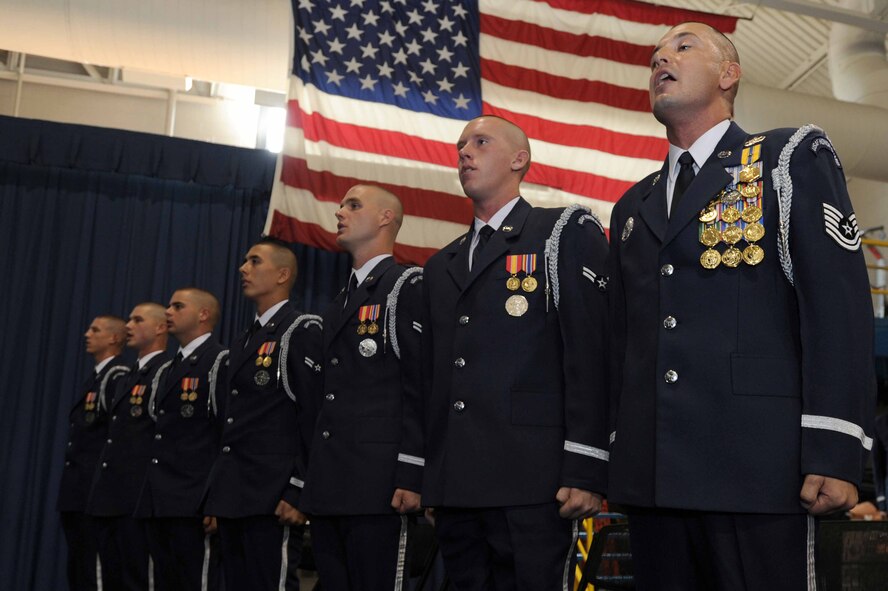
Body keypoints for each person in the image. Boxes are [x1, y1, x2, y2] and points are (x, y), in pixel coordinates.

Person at [606, 22, 876, 590]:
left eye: (682, 47)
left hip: (756, 467)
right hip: (653, 475)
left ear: (730, 74)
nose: (661, 60)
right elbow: (622, 342)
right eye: (654, 56)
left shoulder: (784, 157)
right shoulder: (634, 205)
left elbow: (837, 307)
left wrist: (834, 444)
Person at [421, 115, 610, 589]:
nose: (464, 152)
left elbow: (589, 353)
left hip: (533, 477)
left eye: (480, 142)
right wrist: (434, 474)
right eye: (461, 144)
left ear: (519, 159)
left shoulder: (559, 232)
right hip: (458, 482)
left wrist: (587, 464)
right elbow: (437, 377)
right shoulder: (440, 263)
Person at [299, 185, 424, 589]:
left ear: (386, 218)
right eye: (340, 205)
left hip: (380, 483)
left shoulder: (406, 285)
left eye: (353, 205)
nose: (340, 212)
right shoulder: (339, 302)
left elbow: (420, 384)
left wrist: (412, 471)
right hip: (333, 482)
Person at [203, 237, 323, 590]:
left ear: (283, 274)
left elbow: (313, 415)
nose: (243, 269)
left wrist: (298, 488)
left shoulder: (300, 330)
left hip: (273, 493)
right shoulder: (243, 340)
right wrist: (216, 493)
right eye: (244, 261)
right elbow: (233, 424)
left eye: (255, 261)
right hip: (235, 493)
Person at [134, 289, 227, 591]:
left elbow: (225, 434)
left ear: (203, 314)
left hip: (194, 499)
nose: (168, 312)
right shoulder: (167, 369)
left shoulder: (218, 361)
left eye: (178, 306)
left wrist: (216, 497)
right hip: (159, 499)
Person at [87, 303, 170, 590]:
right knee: (110, 577)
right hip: (112, 496)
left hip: (138, 497)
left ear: (161, 328)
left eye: (137, 320)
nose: (129, 326)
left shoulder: (165, 372)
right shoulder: (129, 376)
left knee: (138, 579)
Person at [58, 315, 130, 591]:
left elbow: (116, 435)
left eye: (95, 330)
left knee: (96, 571)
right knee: (80, 569)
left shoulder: (117, 377)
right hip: (78, 490)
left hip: (95, 491)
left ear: (114, 338)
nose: (87, 334)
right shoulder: (97, 377)